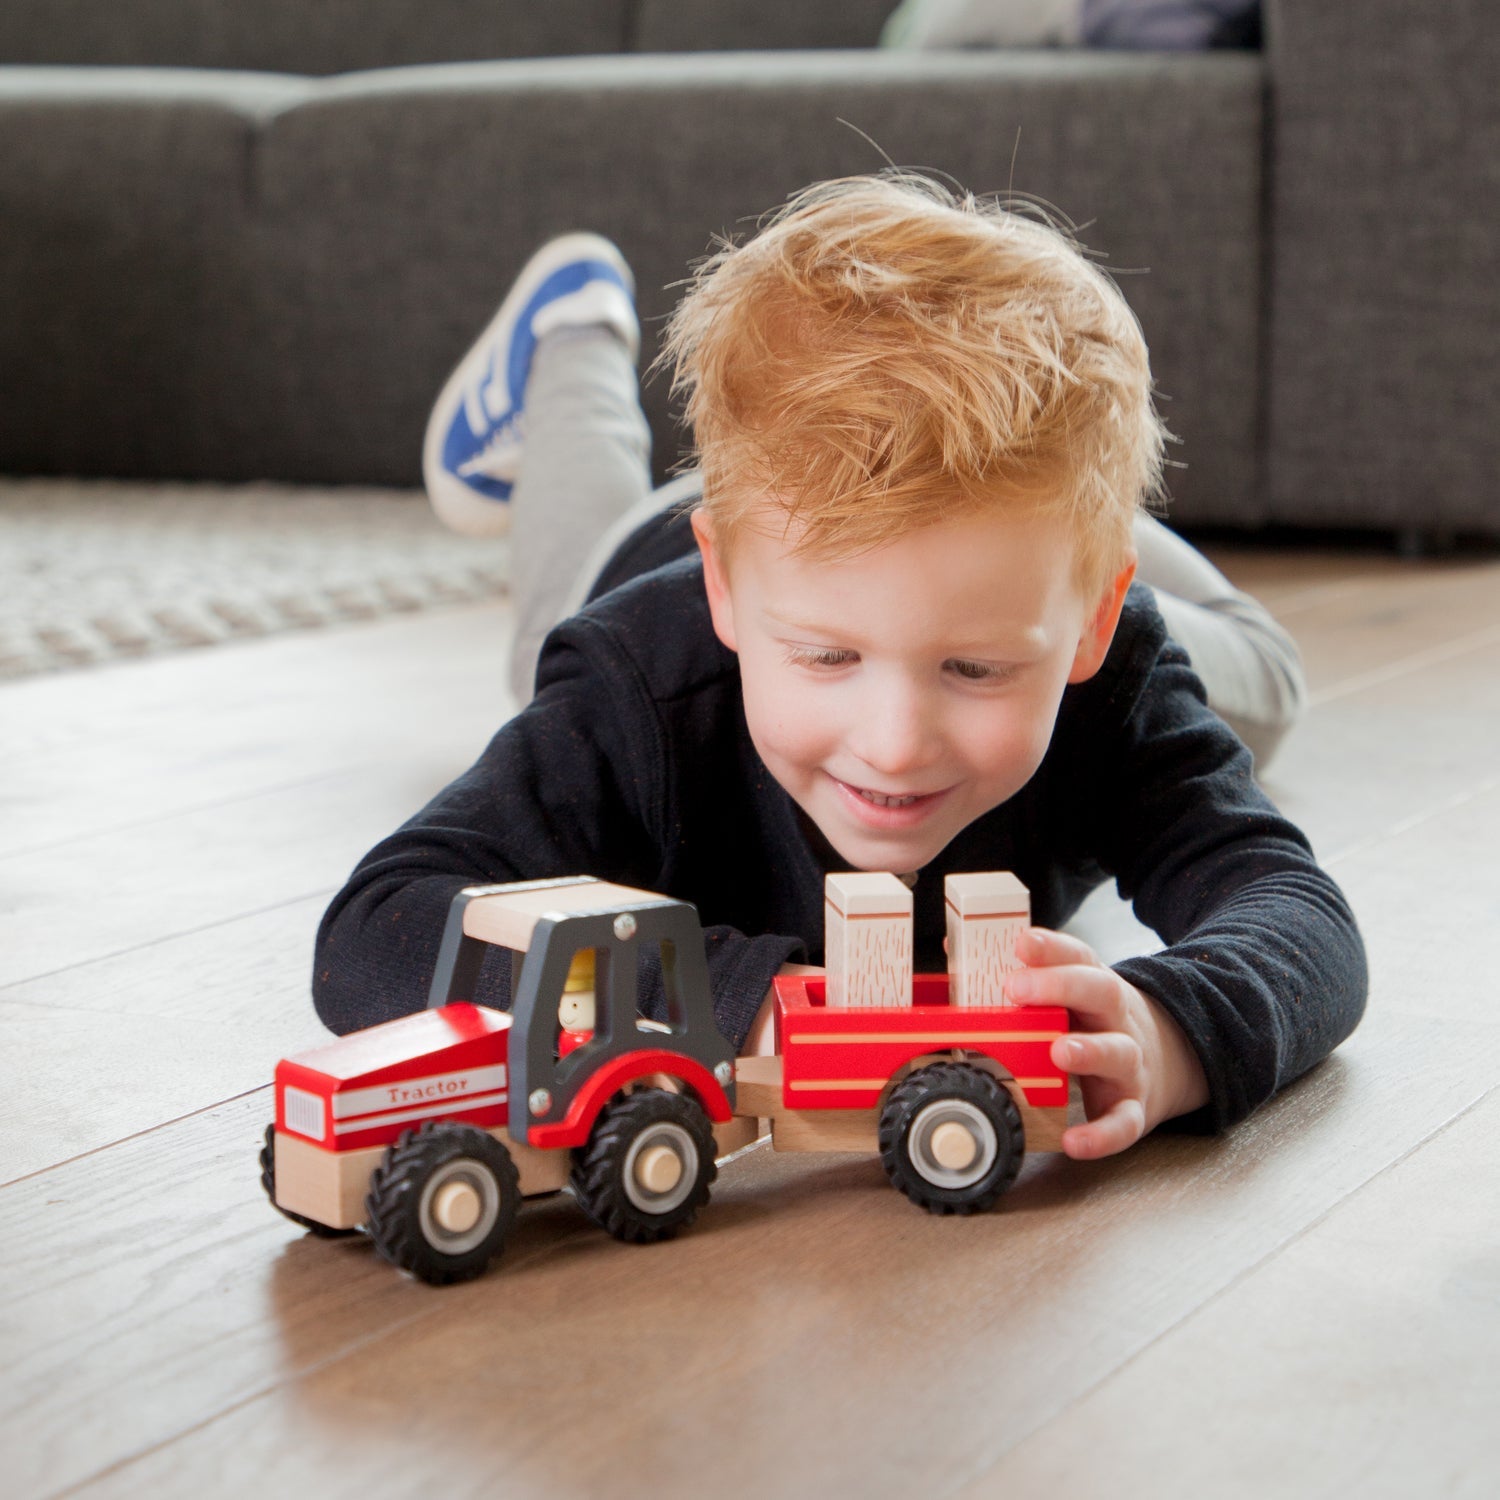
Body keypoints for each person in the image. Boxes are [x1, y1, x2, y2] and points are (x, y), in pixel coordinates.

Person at [315, 174, 1364, 1160]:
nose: (895, 745)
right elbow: (376, 928)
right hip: (650, 556)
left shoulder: (1116, 669)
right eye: (826, 658)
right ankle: (570, 331)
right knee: (553, 598)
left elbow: (1297, 913)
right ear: (726, 592)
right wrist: (725, 1008)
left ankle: (1075, 525)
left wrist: (1170, 1028)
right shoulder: (636, 683)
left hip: (982, 568)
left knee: (1266, 684)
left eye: (976, 668)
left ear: (1091, 624)